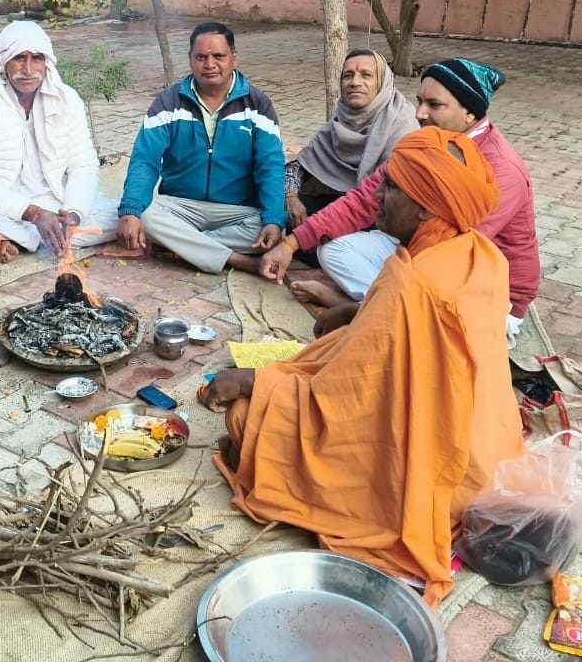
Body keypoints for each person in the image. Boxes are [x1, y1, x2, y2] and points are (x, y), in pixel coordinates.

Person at [203, 127, 524, 606]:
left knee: (247, 419)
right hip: (486, 462)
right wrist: (353, 311)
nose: (378, 191)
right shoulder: (481, 256)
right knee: (306, 364)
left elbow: (340, 400)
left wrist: (249, 379)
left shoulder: (409, 286)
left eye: (392, 186)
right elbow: (397, 348)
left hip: (432, 480)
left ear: (425, 208)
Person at [263, 58, 539, 340]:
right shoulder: (429, 142)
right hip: (425, 247)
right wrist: (291, 244)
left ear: (470, 114)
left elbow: (458, 252)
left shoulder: (502, 169)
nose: (419, 113)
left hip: (484, 287)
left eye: (434, 105)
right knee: (332, 248)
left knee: (429, 338)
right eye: (419, 101)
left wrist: (400, 275)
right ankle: (379, 304)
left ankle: (364, 308)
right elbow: (363, 199)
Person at [118, 22, 285, 274]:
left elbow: (270, 166)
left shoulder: (257, 105)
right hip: (181, 205)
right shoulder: (168, 103)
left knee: (272, 228)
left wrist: (273, 219)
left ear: (234, 58)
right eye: (201, 57)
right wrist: (131, 211)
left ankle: (184, 245)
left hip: (237, 210)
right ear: (190, 59)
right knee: (148, 217)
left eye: (219, 56)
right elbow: (145, 159)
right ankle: (235, 260)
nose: (209, 65)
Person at [0, 19, 118, 262]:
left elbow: (84, 166)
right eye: (19, 58)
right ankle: (40, 236)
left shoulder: (67, 99)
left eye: (36, 58)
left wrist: (73, 215)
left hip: (54, 203)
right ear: (3, 62)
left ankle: (23, 238)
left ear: (46, 61)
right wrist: (35, 215)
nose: (28, 69)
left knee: (127, 214)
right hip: (4, 207)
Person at [284, 48, 418, 229]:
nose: (355, 82)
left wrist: (324, 224)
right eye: (348, 76)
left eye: (366, 75)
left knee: (316, 240)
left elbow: (391, 195)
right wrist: (290, 197)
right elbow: (298, 166)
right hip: (339, 207)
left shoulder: (403, 125)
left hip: (382, 216)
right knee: (274, 210)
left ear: (383, 82)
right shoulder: (340, 120)